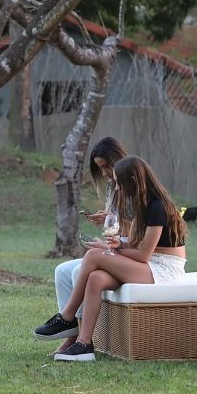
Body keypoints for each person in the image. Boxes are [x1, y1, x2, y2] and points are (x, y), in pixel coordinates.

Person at [33, 156, 188, 362]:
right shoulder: (142, 204)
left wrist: (112, 249)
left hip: (164, 269)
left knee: (93, 255)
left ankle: (67, 317)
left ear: (133, 181)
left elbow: (143, 255)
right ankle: (84, 344)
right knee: (96, 278)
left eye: (119, 184)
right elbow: (138, 246)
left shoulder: (157, 207)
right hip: (149, 264)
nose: (117, 189)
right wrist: (118, 244)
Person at [44, 137, 129, 354]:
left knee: (78, 270)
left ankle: (82, 336)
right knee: (62, 270)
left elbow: (136, 232)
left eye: (106, 166)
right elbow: (122, 224)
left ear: (117, 159)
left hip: (129, 254)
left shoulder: (133, 189)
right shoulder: (113, 188)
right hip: (119, 248)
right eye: (100, 168)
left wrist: (110, 244)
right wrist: (108, 217)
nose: (105, 173)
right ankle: (72, 335)